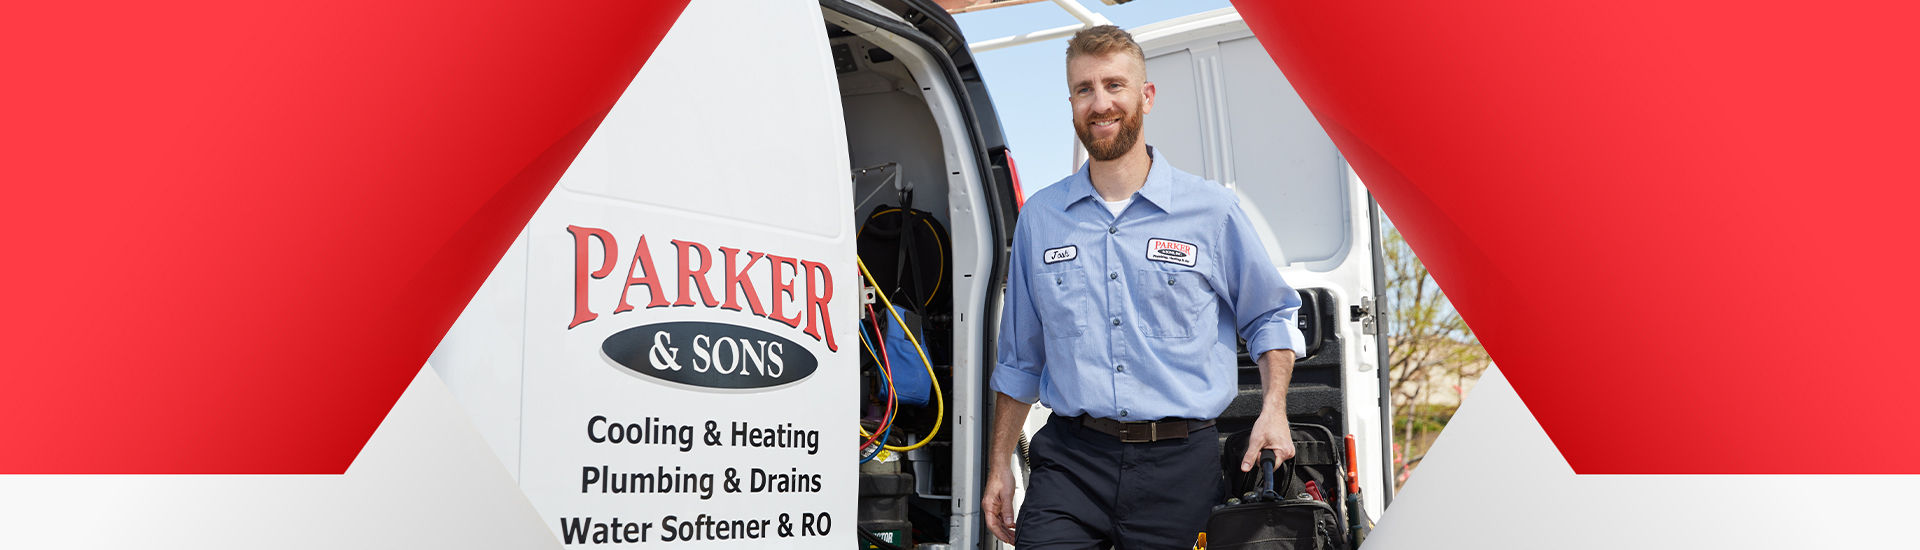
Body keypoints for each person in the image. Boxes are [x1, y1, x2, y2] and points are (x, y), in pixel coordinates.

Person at [980, 25, 1306, 549]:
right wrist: (999, 466)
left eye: (1115, 85)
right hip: (1071, 462)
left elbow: (1269, 315)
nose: (1100, 102)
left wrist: (1273, 410)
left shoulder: (1212, 212)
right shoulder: (1040, 218)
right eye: (1084, 89)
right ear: (1071, 104)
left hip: (1180, 468)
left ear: (1146, 96)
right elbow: (1020, 357)